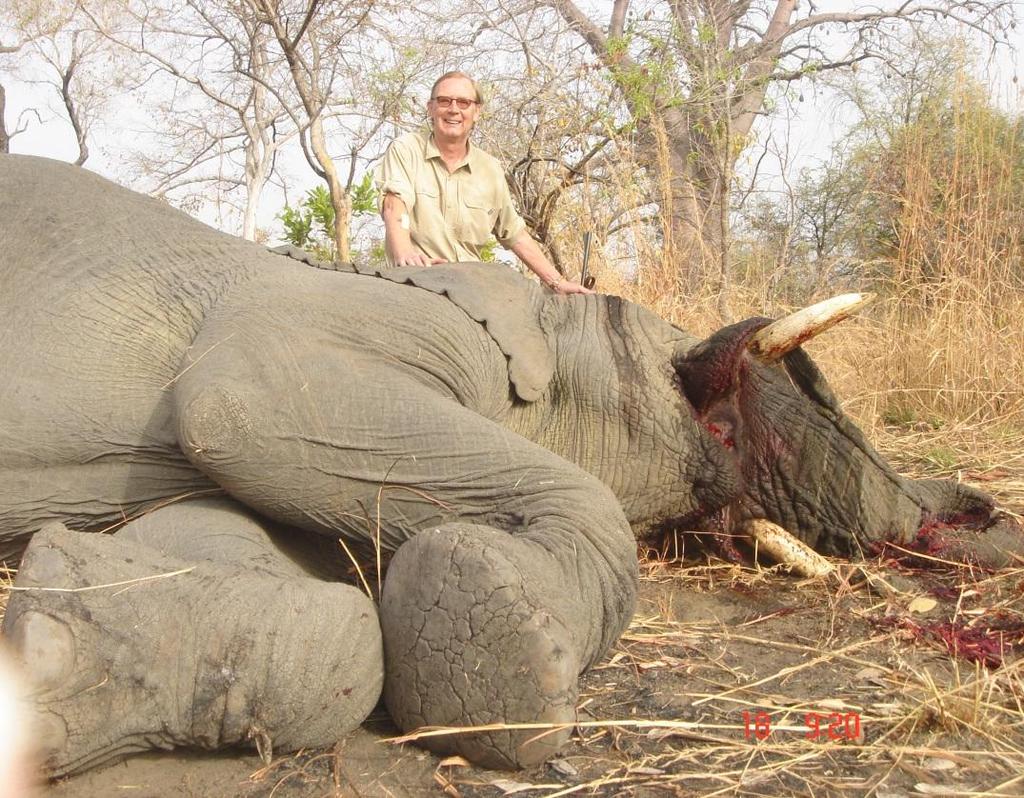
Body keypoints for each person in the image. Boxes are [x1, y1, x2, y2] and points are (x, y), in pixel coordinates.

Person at [376, 71, 592, 295]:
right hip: (418, 279)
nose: (453, 109)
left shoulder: (491, 168)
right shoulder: (406, 149)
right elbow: (394, 204)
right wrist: (405, 254)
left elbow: (515, 234)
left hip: (470, 290)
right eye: (444, 101)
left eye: (463, 102)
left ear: (476, 111)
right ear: (430, 108)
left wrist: (556, 282)